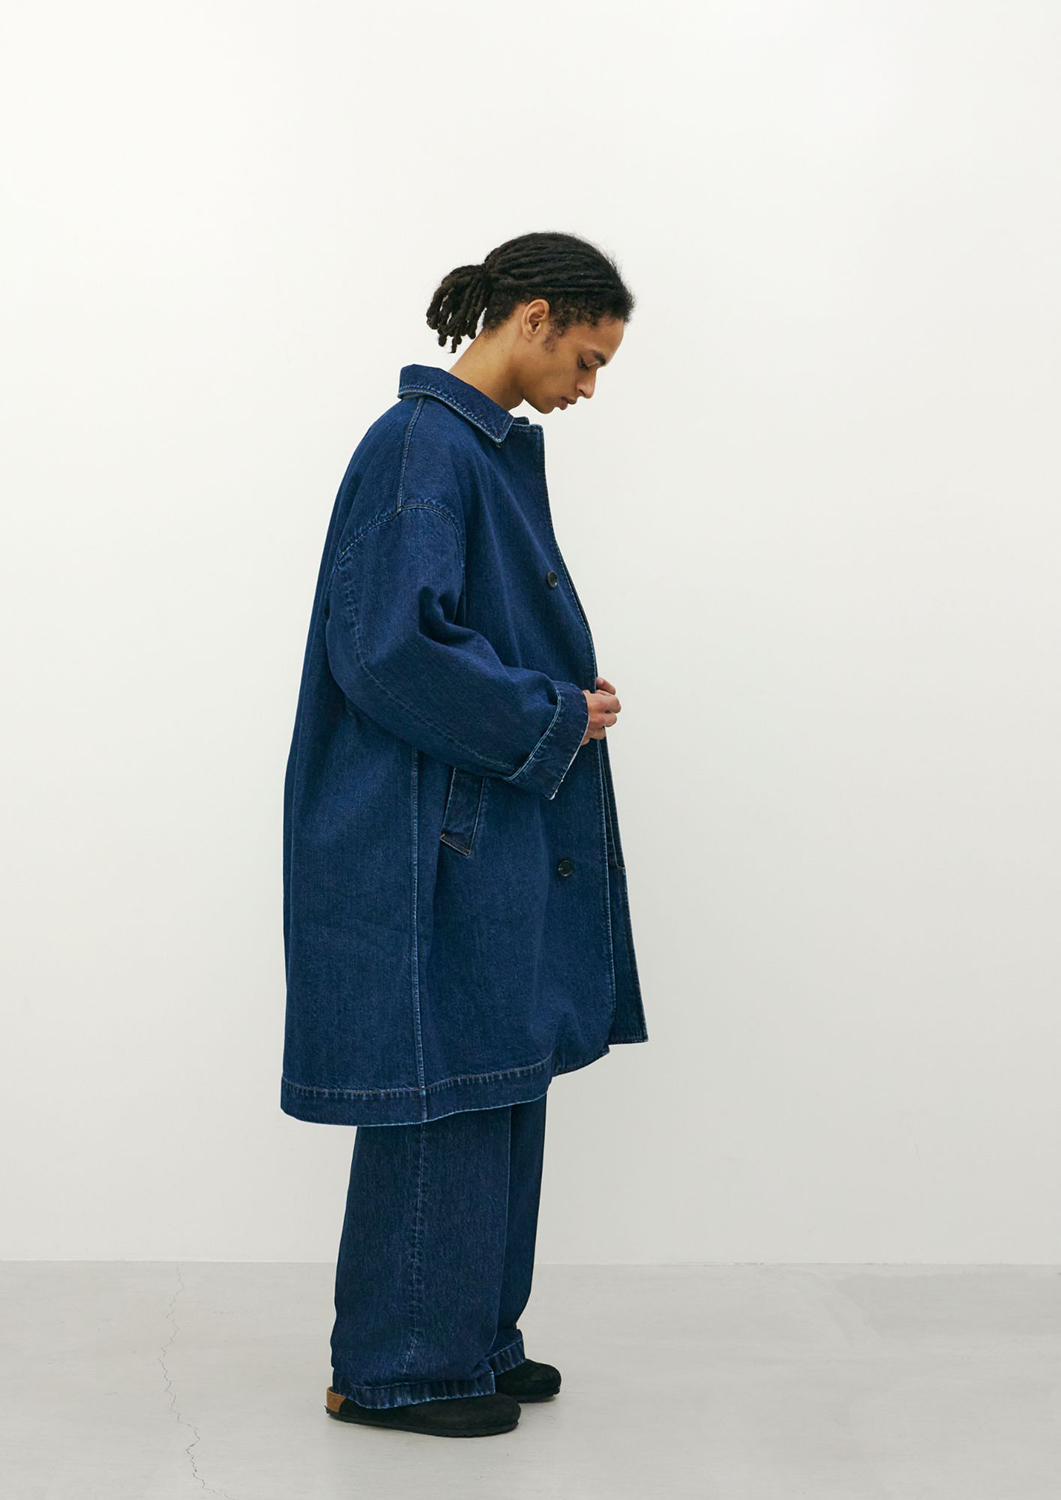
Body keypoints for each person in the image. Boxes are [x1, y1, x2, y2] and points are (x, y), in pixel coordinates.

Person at [280, 230, 649, 1438]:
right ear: (533, 316)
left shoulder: (472, 452)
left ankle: (471, 1343)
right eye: (586, 360)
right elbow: (389, 646)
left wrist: (557, 703)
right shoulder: (422, 448)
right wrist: (547, 711)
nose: (587, 389)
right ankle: (397, 1370)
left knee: (496, 1073)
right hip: (419, 828)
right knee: (442, 1084)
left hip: (469, 819)